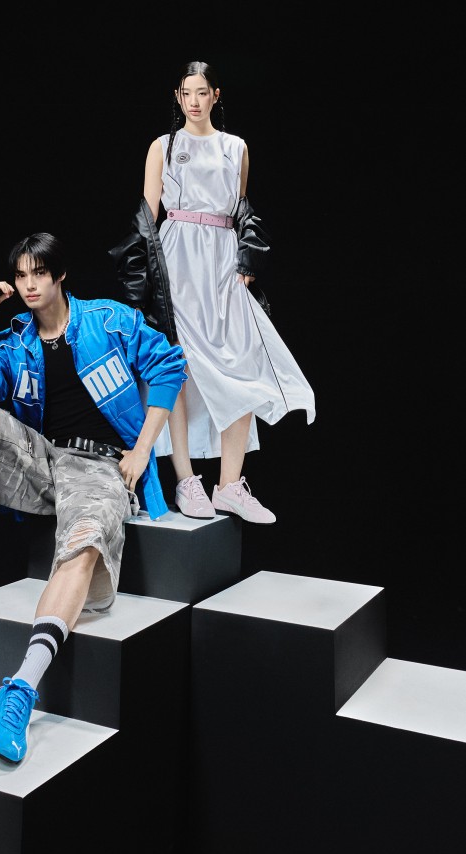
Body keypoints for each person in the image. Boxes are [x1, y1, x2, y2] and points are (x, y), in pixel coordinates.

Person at [0, 232, 186, 764]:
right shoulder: (16, 342)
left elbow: (169, 366)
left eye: (39, 273)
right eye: (21, 276)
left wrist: (141, 451)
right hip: (43, 460)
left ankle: (21, 689)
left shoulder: (108, 320)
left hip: (100, 465)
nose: (29, 285)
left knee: (84, 541)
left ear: (60, 276)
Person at [110, 60, 315, 524]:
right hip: (177, 260)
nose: (194, 101)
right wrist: (142, 282)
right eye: (187, 93)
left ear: (216, 95)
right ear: (177, 97)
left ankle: (229, 484)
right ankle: (186, 481)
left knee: (240, 366)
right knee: (177, 368)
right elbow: (148, 217)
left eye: (202, 92)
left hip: (221, 263)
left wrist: (247, 259)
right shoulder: (163, 146)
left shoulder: (235, 147)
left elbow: (241, 211)